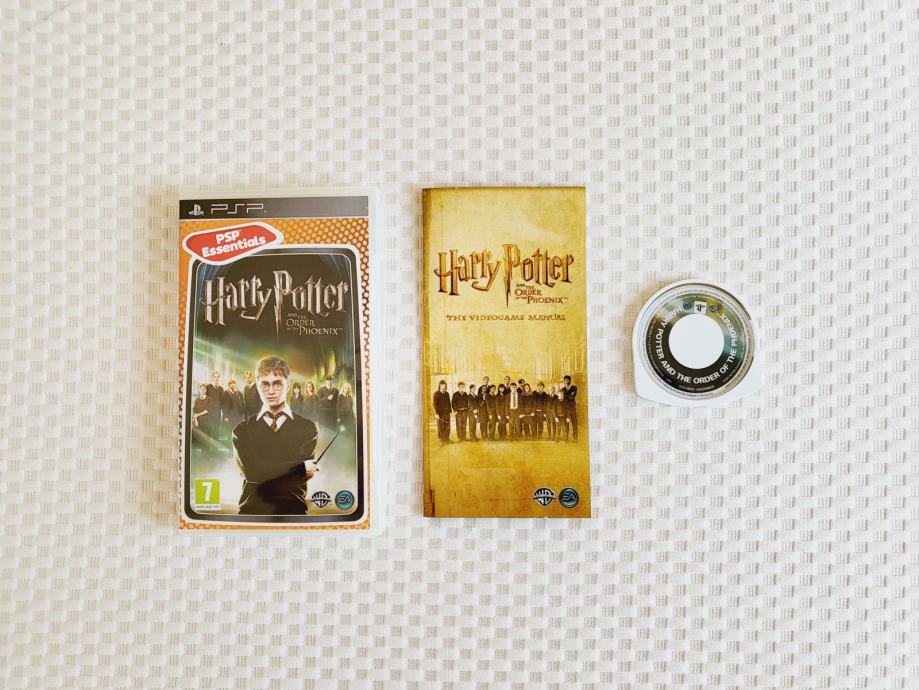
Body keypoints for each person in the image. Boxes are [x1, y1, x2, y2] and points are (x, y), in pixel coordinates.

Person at [231, 356, 319, 515]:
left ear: (288, 385)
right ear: (257, 386)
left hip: (294, 512)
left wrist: (266, 469)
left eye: (277, 384)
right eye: (265, 384)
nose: (271, 391)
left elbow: (262, 473)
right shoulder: (241, 431)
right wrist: (300, 468)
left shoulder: (307, 428)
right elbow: (253, 473)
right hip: (251, 513)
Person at [206, 371, 226, 438]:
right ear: (212, 378)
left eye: (218, 377)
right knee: (209, 432)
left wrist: (225, 414)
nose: (216, 378)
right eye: (215, 377)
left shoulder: (221, 389)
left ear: (219, 378)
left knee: (216, 432)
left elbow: (223, 402)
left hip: (217, 413)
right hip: (209, 413)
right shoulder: (208, 387)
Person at [563, 374, 578, 440]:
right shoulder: (563, 389)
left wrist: (565, 396)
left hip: (572, 408)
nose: (566, 381)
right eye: (565, 380)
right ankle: (566, 437)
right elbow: (563, 398)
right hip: (566, 408)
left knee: (574, 423)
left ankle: (575, 438)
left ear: (570, 380)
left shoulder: (574, 388)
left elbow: (572, 397)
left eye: (567, 380)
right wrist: (568, 396)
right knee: (566, 423)